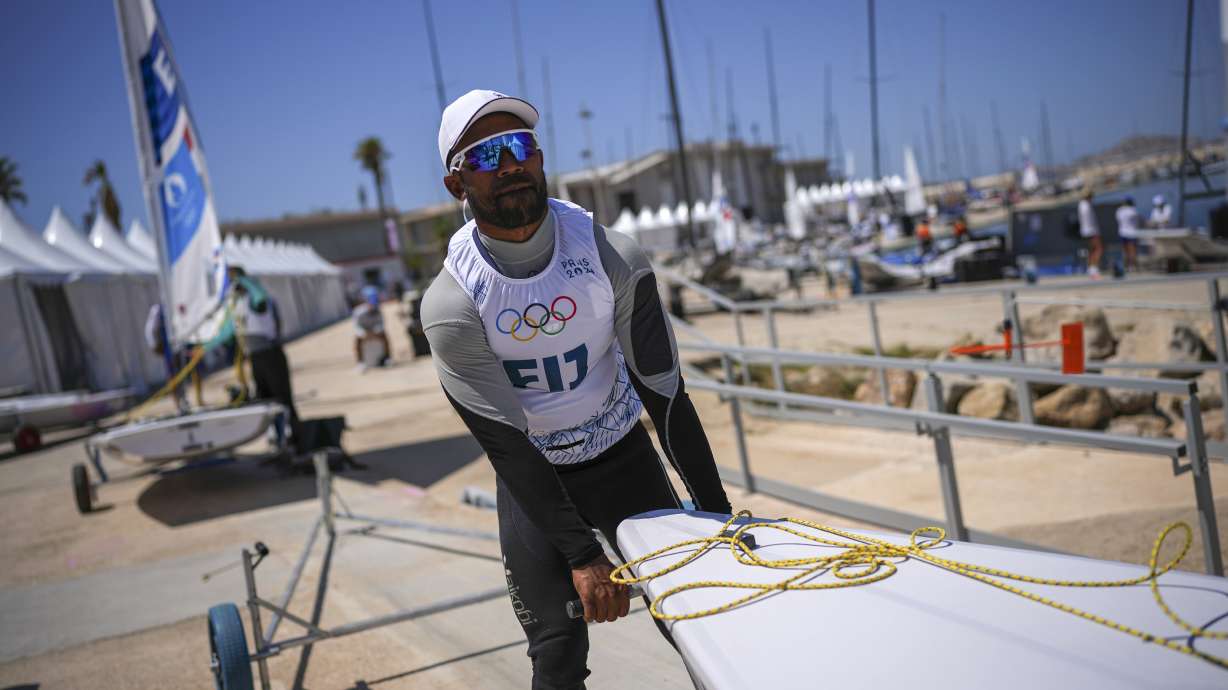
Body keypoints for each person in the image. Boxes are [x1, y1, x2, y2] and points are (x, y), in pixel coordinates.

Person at [422, 89, 731, 689]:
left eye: (521, 146)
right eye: (487, 155)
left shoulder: (612, 254)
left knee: (705, 620)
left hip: (625, 461)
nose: (510, 164)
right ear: (457, 186)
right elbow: (508, 446)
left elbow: (665, 395)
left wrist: (716, 513)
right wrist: (583, 556)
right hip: (537, 480)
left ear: (539, 159)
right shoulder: (451, 304)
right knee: (558, 656)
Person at [206, 265, 304, 453]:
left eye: (233, 280)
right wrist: (203, 348)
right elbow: (226, 332)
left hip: (271, 354)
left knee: (283, 399)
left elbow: (260, 296)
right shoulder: (238, 304)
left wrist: (243, 281)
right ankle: (277, 440)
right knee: (265, 401)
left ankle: (296, 440)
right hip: (256, 359)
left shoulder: (258, 300)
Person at [352, 285, 391, 367]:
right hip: (364, 334)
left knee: (385, 337)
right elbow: (356, 327)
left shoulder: (378, 311)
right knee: (357, 341)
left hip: (375, 332)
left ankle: (388, 358)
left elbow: (381, 324)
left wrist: (375, 332)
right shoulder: (358, 312)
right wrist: (364, 334)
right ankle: (360, 362)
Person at [1078, 190, 1102, 277]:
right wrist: (1094, 230)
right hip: (1091, 230)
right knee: (1098, 249)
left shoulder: (1082, 205)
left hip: (1086, 230)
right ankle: (1093, 268)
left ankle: (1091, 268)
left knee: (1091, 250)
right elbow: (1089, 219)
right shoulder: (1086, 205)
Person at [1116, 196, 1141, 272]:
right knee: (1132, 251)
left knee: (1125, 251)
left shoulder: (1119, 211)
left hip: (1122, 232)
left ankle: (1126, 266)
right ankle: (1132, 266)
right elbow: (1137, 221)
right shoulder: (1132, 210)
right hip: (1131, 233)